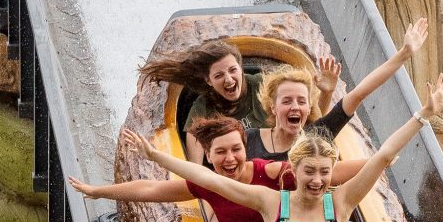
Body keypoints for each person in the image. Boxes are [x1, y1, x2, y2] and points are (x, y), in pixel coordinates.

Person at [124, 75, 443, 222]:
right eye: (310, 172)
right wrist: (156, 156)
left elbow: (384, 155)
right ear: (294, 170)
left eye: (324, 173)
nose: (318, 180)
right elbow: (206, 178)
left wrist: (423, 115)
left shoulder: (341, 202)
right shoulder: (269, 201)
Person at [68, 117, 364, 222]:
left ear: (246, 148)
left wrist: (379, 162)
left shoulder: (275, 173)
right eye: (221, 152)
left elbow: (327, 172)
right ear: (208, 156)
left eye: (236, 149)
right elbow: (152, 188)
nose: (230, 158)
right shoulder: (210, 183)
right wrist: (98, 191)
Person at [246, 17, 429, 162]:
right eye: (287, 101)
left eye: (301, 101)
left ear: (308, 108)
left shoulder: (314, 138)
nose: (295, 106)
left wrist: (404, 54)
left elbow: (358, 94)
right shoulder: (248, 138)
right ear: (273, 107)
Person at [139, 41, 341, 164]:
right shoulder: (202, 109)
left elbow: (312, 124)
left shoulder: (263, 85)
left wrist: (326, 93)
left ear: (241, 68)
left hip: (284, 162)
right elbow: (194, 166)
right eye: (219, 75)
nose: (228, 79)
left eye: (232, 70)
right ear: (209, 81)